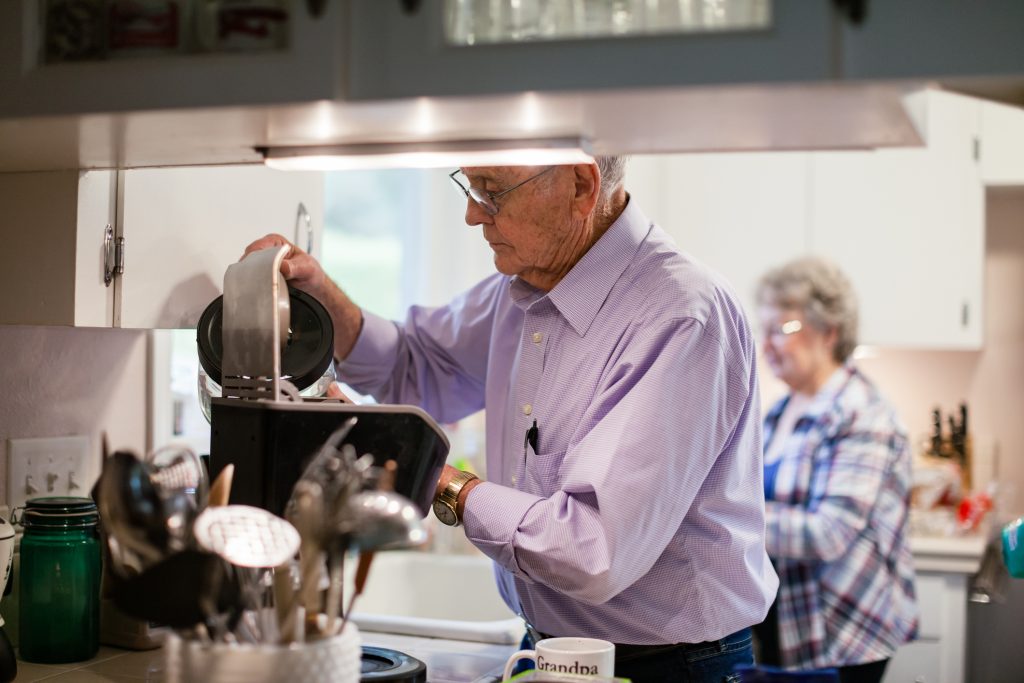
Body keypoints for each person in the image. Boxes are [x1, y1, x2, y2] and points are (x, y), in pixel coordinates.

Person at [244, 158, 778, 683]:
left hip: (672, 666)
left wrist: (425, 469)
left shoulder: (681, 315)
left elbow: (589, 549)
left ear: (580, 185)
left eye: (492, 190)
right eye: (469, 187)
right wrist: (322, 294)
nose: (473, 216)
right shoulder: (526, 286)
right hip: (548, 646)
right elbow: (419, 365)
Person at [752, 257, 918, 683]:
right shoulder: (780, 411)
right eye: (764, 329)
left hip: (843, 631)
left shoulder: (861, 414)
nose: (766, 344)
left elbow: (830, 532)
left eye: (782, 329)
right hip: (784, 622)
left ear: (830, 331)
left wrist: (731, 520)